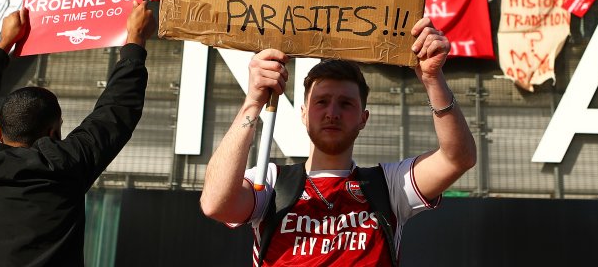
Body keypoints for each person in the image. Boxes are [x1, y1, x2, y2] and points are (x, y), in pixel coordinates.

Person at [200, 18, 476, 266]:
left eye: (345, 104)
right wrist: (253, 101)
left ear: (363, 118)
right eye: (322, 102)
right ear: (304, 114)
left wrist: (432, 79)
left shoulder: (389, 186)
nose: (332, 113)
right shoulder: (271, 182)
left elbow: (458, 158)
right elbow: (215, 204)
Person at [0, 2, 154, 266]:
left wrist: (5, 42)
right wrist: (135, 37)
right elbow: (115, 114)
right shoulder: (66, 166)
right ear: (53, 133)